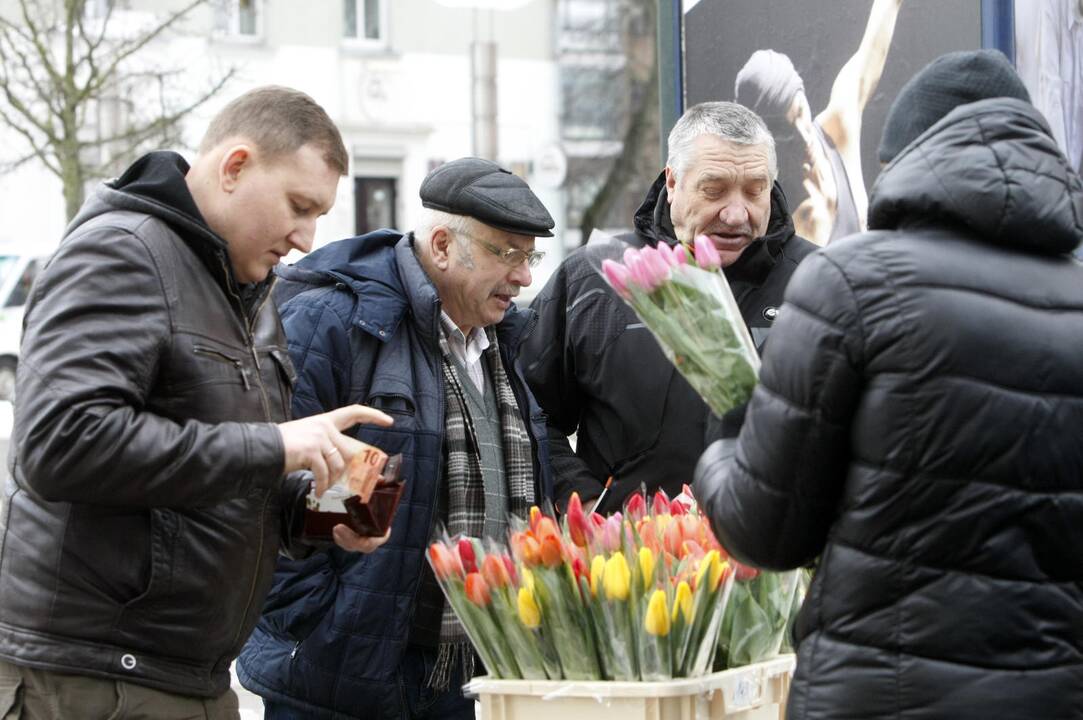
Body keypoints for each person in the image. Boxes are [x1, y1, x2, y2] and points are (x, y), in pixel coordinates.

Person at [696, 50, 1083, 719]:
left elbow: (763, 534)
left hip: (878, 694)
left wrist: (726, 431)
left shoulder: (850, 284)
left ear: (904, 161)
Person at [0, 86, 394, 720]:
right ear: (234, 167)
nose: (305, 236)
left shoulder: (247, 289)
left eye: (318, 215)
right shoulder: (123, 250)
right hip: (93, 681)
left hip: (188, 678)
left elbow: (213, 473)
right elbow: (59, 443)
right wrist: (276, 445)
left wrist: (318, 510)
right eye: (299, 206)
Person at [237, 158, 555, 719]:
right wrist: (322, 623)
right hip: (341, 679)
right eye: (508, 253)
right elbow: (264, 484)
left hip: (469, 670)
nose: (525, 276)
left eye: (530, 257)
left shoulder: (501, 340)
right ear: (440, 245)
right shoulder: (332, 322)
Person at [523, 101, 815, 516]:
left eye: (755, 190)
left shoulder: (820, 281)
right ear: (673, 182)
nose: (736, 213)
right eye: (714, 190)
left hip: (774, 560)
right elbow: (528, 409)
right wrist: (583, 500)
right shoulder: (595, 277)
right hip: (631, 565)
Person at [736, 0, 903, 246]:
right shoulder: (771, 215)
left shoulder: (836, 131)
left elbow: (881, 22)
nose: (804, 136)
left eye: (801, 112)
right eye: (786, 131)